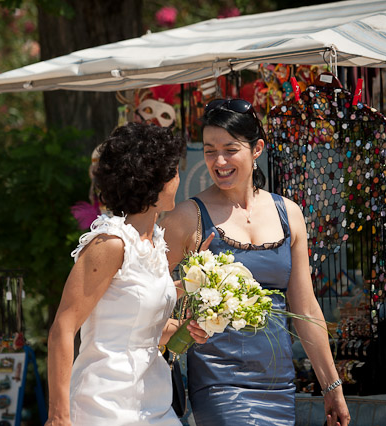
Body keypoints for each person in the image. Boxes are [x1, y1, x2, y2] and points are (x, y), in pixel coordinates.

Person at [160, 99, 351, 426]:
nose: (219, 161)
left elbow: (305, 308)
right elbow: (142, 290)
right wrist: (172, 327)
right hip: (218, 384)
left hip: (278, 385)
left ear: (257, 148)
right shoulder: (185, 218)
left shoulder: (289, 214)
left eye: (230, 149)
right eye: (209, 150)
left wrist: (332, 387)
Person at [45, 122, 209, 426]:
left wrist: (191, 327)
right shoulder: (109, 244)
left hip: (154, 403)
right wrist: (58, 416)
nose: (178, 179)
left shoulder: (155, 243)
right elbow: (62, 329)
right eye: (173, 172)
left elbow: (144, 333)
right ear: (152, 181)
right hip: (103, 406)